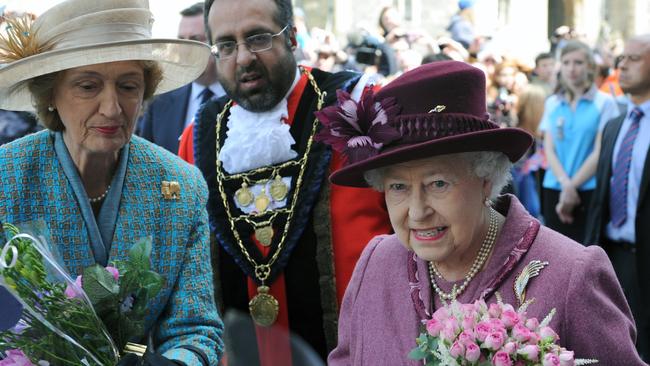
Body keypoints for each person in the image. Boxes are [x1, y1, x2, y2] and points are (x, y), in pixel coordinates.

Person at [318, 60, 645, 365]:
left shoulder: (573, 274)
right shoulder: (376, 263)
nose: (417, 212)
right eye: (398, 187)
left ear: (486, 179)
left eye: (438, 183)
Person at [0, 1, 223, 365]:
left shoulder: (182, 186)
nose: (112, 108)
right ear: (51, 95)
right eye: (88, 86)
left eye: (128, 86)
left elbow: (196, 328)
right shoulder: (7, 177)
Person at [177, 0, 392, 364]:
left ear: (291, 37)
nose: (243, 58)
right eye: (227, 45)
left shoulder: (355, 109)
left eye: (258, 37)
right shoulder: (197, 138)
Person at [586, 34, 650, 361]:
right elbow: (602, 198)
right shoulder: (614, 125)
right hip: (613, 257)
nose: (622, 66)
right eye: (621, 58)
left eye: (634, 59)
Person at [539, 40, 619, 242]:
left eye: (578, 62)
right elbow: (549, 148)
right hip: (554, 186)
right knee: (555, 252)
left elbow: (601, 152)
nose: (571, 68)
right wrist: (566, 185)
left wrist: (572, 187)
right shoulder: (552, 103)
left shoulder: (605, 103)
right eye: (566, 62)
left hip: (589, 189)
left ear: (590, 66)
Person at [136, 2, 225, 154]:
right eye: (182, 40)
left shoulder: (242, 98)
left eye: (196, 39)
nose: (187, 49)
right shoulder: (159, 102)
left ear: (217, 41)